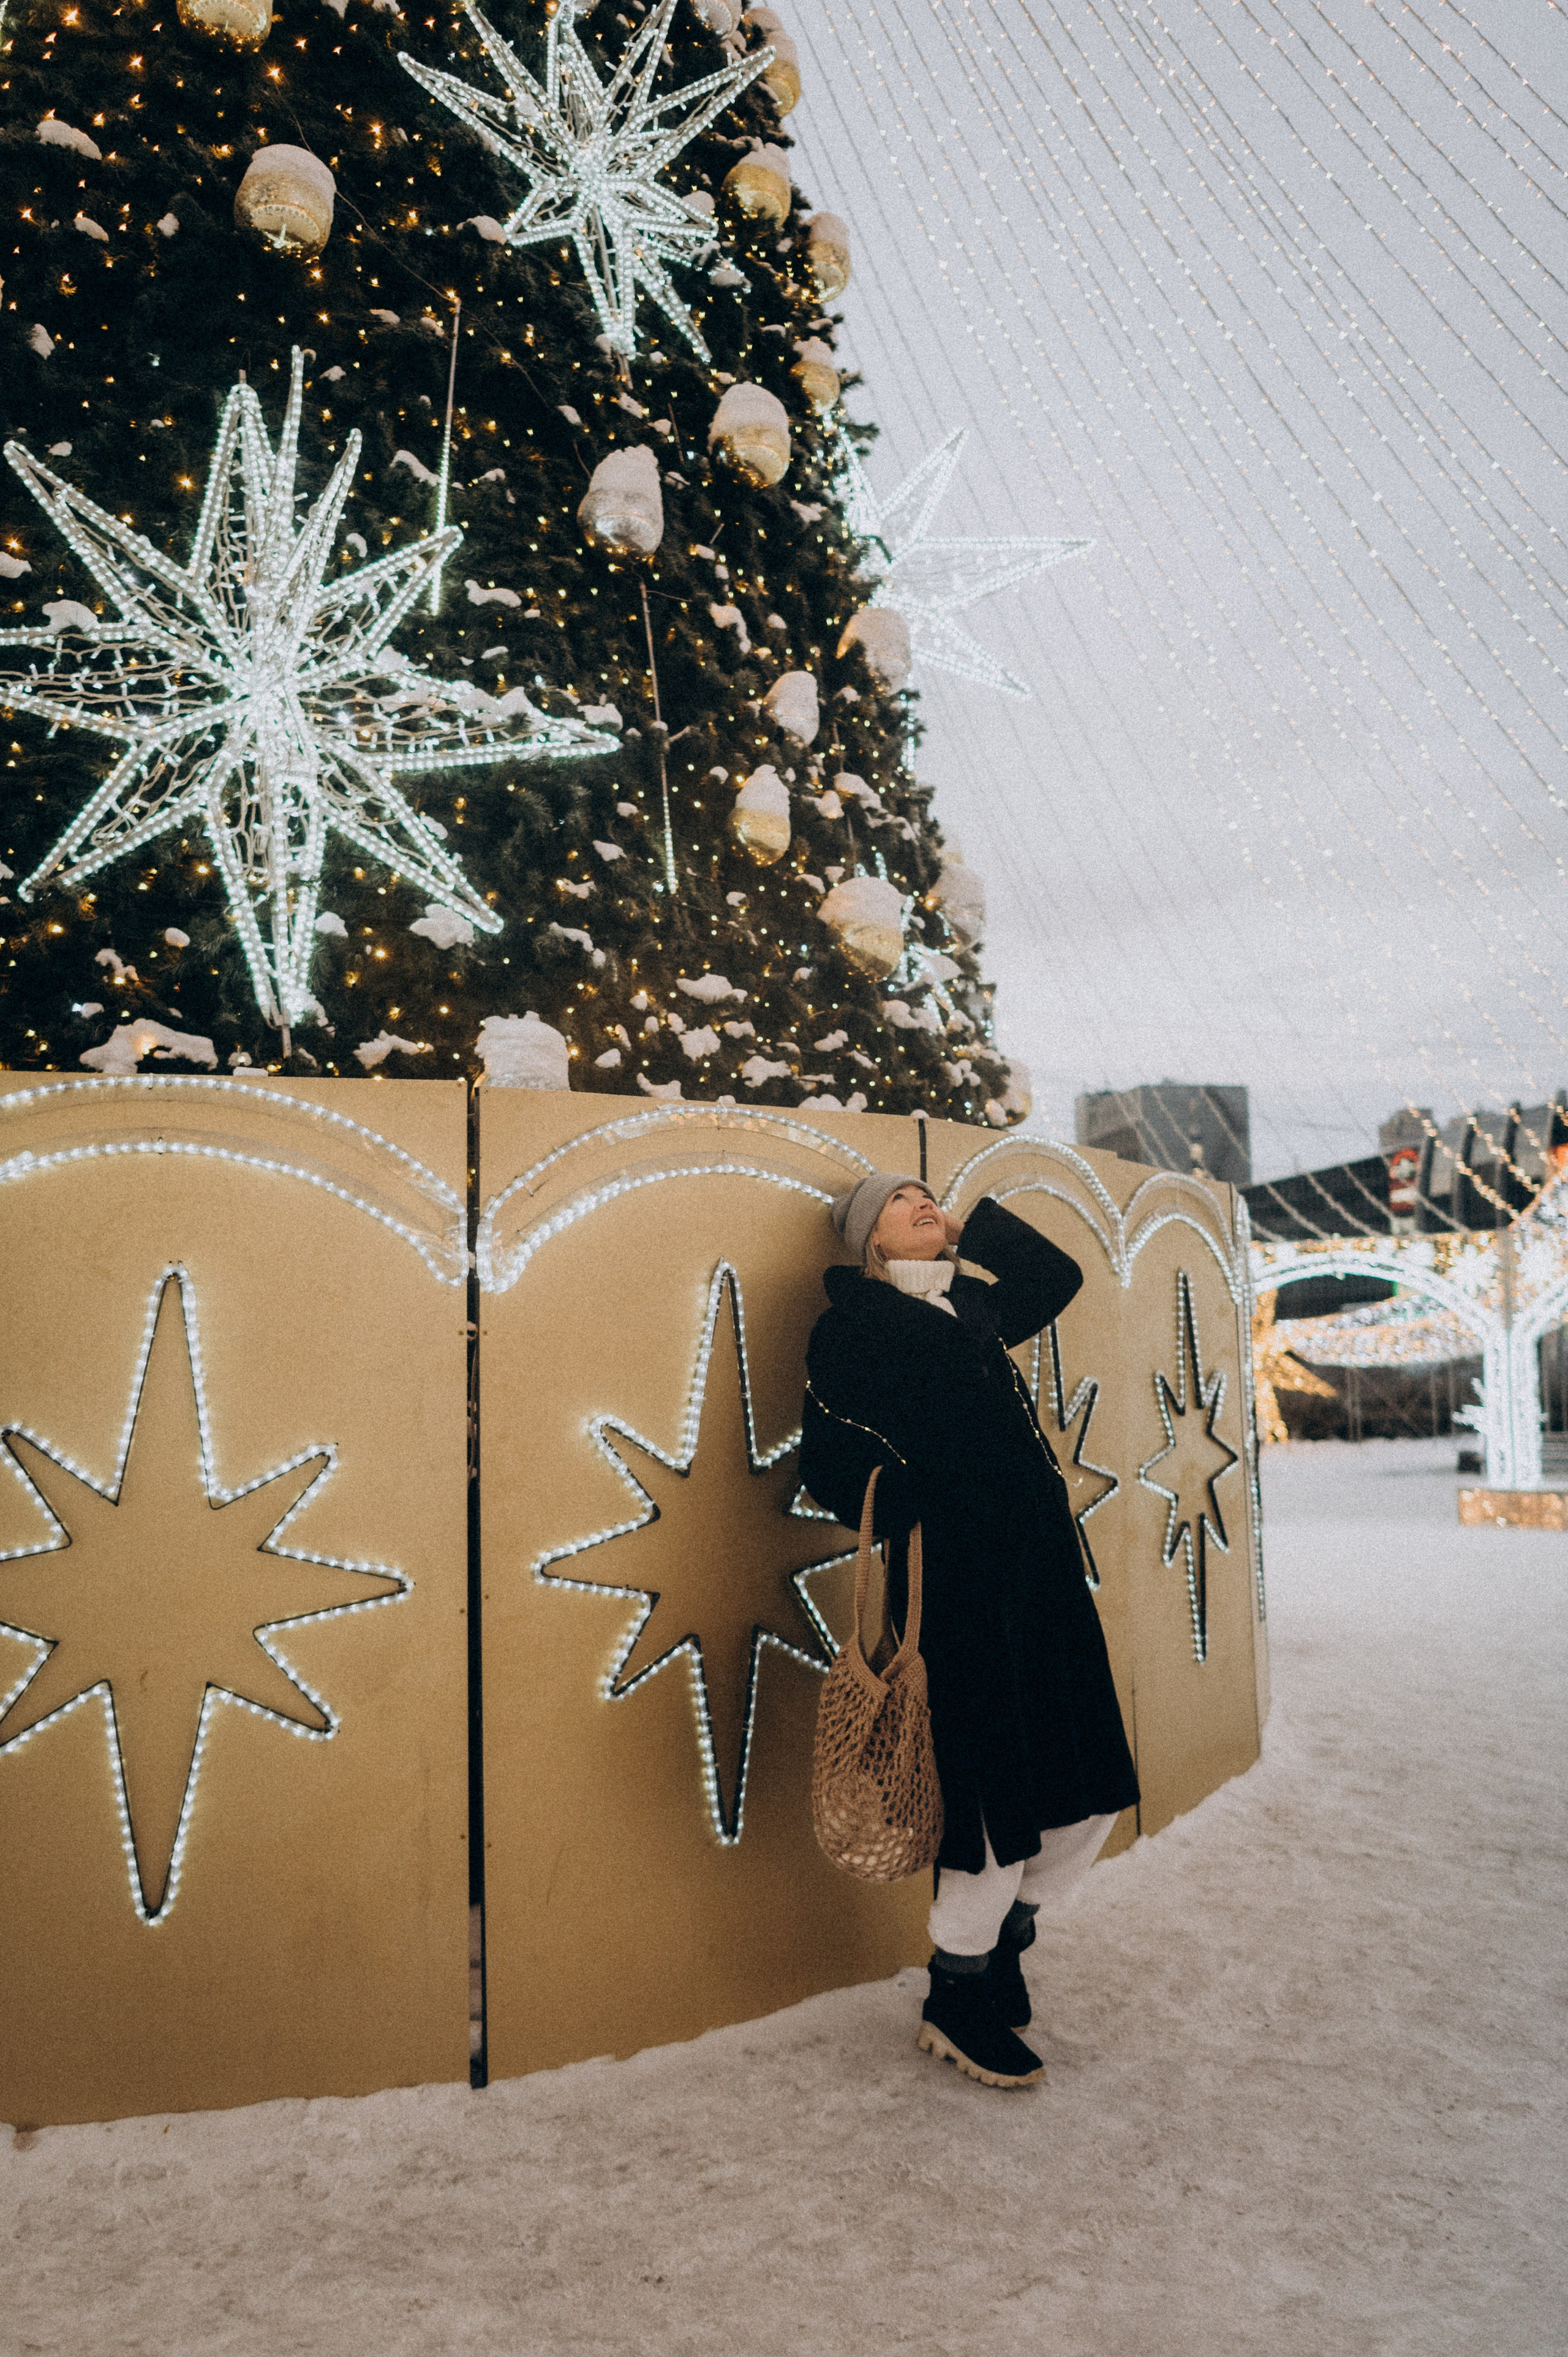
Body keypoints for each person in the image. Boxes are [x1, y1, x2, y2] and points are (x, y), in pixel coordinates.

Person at [800, 1174, 1140, 2089]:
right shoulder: (853, 1327)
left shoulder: (972, 1305)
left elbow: (1056, 1276)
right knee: (989, 1794)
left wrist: (962, 1227)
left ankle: (1000, 1944)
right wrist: (915, 1497)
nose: (919, 1205)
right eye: (898, 1204)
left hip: (1040, 1571)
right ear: (868, 1241)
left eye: (926, 1197)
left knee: (1088, 1781)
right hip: (954, 1578)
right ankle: (957, 1993)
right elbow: (823, 1459)